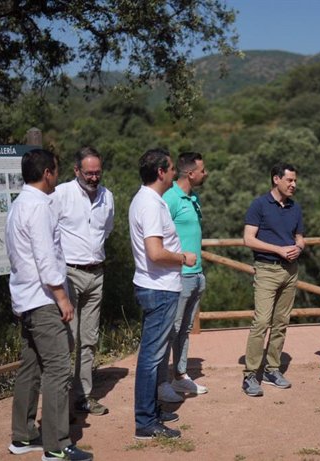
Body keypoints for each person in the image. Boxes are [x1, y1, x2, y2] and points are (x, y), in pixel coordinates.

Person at [6, 149, 93, 461]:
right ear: (47, 173)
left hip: (25, 298)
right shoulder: (40, 207)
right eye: (56, 170)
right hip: (44, 300)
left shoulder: (18, 205)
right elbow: (45, 257)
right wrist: (62, 297)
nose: (58, 176)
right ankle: (57, 446)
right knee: (57, 369)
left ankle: (23, 435)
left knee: (29, 368)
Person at [129, 148, 197, 439]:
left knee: (154, 356)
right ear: (160, 172)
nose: (174, 173)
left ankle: (153, 412)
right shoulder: (151, 205)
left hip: (155, 287)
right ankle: (146, 422)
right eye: (171, 169)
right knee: (151, 356)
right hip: (159, 289)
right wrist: (183, 258)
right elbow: (155, 253)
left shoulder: (146, 200)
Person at [51, 147, 114, 416]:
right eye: (88, 173)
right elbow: (49, 232)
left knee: (89, 339)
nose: (93, 177)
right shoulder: (61, 194)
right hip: (69, 273)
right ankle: (62, 402)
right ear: (76, 170)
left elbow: (106, 230)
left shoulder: (107, 197)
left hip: (96, 273)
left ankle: (84, 396)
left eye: (97, 172)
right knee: (68, 338)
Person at [242, 162, 305, 397]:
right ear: (276, 179)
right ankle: (249, 375)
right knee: (261, 322)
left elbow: (300, 238)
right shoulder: (259, 205)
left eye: (295, 180)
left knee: (281, 322)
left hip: (291, 270)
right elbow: (248, 239)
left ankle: (272, 369)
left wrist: (298, 247)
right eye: (290, 180)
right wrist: (278, 249)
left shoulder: (295, 208)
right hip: (267, 269)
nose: (294, 185)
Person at [157, 152, 209, 403]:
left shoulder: (193, 198)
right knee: (171, 329)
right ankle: (161, 382)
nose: (205, 173)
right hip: (179, 276)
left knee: (184, 329)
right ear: (191, 173)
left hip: (196, 275)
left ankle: (179, 375)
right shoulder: (170, 198)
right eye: (202, 169)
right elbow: (159, 236)